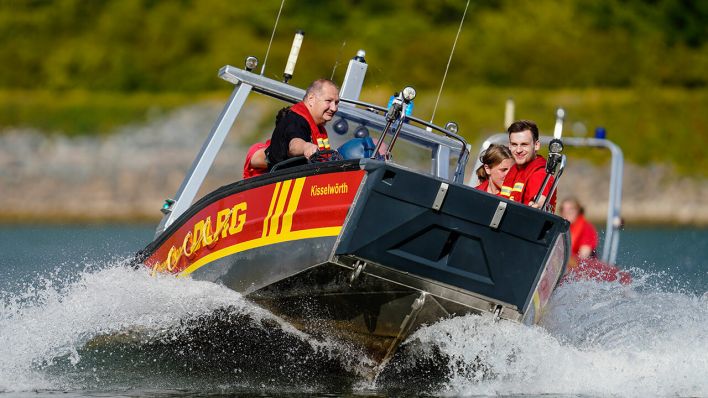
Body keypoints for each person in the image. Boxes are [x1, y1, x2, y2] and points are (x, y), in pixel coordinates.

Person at [243, 78, 339, 179]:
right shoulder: (295, 120)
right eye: (328, 101)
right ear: (311, 99)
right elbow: (294, 144)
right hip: (277, 185)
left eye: (336, 103)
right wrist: (306, 147)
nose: (334, 108)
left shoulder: (318, 127)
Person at [499, 120, 557, 210]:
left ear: (536, 145)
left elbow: (539, 202)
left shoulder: (539, 174)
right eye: (514, 144)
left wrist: (538, 204)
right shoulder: (514, 170)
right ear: (509, 146)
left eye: (524, 144)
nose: (518, 150)